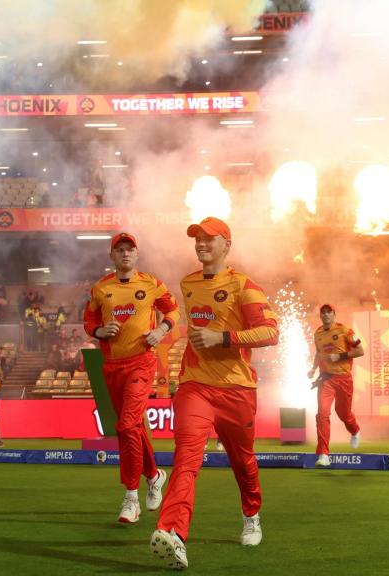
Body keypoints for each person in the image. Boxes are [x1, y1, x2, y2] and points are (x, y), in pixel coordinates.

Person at [150, 217, 279, 570]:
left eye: (209, 238)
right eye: (197, 239)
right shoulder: (187, 283)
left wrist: (223, 338)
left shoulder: (245, 286)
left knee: (244, 463)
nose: (201, 244)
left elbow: (270, 332)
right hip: (196, 386)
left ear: (226, 244)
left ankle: (251, 514)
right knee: (186, 460)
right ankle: (173, 533)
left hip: (237, 389)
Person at [83, 231, 178, 524]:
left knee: (125, 424)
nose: (125, 254)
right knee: (131, 426)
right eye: (119, 249)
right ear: (112, 256)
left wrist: (161, 331)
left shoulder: (151, 283)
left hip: (141, 362)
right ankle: (153, 474)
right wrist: (99, 331)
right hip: (112, 365)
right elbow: (89, 320)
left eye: (130, 249)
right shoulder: (100, 288)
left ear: (137, 255)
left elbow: (172, 310)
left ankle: (131, 498)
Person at [307, 303, 364, 467]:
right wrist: (313, 369)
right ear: (320, 316)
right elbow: (318, 353)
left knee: (343, 413)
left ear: (334, 314)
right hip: (326, 380)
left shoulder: (345, 331)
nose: (325, 315)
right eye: (323, 313)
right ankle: (323, 455)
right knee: (322, 414)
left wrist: (340, 357)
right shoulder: (317, 333)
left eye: (328, 312)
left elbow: (360, 351)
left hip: (344, 379)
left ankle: (355, 430)